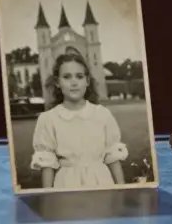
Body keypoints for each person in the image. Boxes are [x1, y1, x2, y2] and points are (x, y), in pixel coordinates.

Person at [30, 52, 128, 189]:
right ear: (57, 82)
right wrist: (48, 196)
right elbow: (47, 163)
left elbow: (113, 157)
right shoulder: (48, 119)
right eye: (67, 77)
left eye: (79, 76)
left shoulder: (102, 115)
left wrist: (122, 190)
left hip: (102, 182)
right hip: (66, 185)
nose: (74, 82)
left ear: (87, 81)